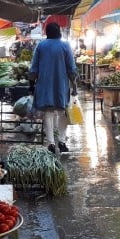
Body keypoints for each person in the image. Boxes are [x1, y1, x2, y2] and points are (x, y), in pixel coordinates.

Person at [28, 22, 78, 154]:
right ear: (59, 32)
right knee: (62, 113)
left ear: (47, 33)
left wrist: (31, 85)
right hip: (61, 84)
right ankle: (62, 142)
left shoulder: (41, 46)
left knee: (48, 113)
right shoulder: (65, 45)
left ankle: (50, 143)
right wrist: (74, 85)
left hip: (45, 84)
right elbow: (71, 68)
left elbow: (34, 67)